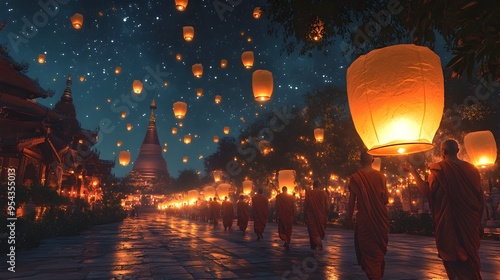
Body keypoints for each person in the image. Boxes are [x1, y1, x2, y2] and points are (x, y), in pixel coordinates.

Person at [406, 139, 484, 280]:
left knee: (454, 260)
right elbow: (480, 198)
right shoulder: (473, 170)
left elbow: (427, 192)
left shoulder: (439, 170)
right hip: (470, 224)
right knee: (470, 260)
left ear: (443, 152)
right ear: (458, 151)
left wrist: (414, 172)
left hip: (449, 224)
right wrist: (480, 221)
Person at [348, 151, 389, 280]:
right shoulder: (381, 176)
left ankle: (373, 275)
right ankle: (375, 275)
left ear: (360, 160)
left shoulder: (356, 177)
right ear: (373, 160)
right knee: (377, 252)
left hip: (365, 221)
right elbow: (386, 199)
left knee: (367, 250)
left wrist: (349, 218)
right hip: (380, 220)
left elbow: (351, 201)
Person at [304, 180, 330, 252]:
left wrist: (304, 215)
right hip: (321, 216)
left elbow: (306, 205)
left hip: (311, 216)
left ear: (313, 186)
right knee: (318, 231)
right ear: (320, 186)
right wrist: (327, 214)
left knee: (313, 232)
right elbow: (327, 207)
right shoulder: (324, 194)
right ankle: (317, 244)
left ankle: (318, 244)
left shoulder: (309, 193)